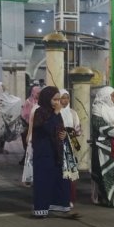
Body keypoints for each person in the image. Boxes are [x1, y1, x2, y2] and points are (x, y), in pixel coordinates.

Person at [30, 86, 78, 218]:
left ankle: (57, 205)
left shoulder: (56, 112)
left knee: (58, 180)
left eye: (59, 99)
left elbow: (59, 127)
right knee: (44, 181)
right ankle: (41, 209)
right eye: (55, 99)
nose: (58, 102)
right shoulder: (40, 112)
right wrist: (56, 114)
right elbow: (46, 128)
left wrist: (63, 135)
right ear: (47, 98)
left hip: (56, 151)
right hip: (44, 152)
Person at [59, 89, 82, 203]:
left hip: (70, 146)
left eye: (67, 97)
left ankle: (69, 198)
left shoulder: (73, 113)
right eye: (63, 98)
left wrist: (69, 132)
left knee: (70, 173)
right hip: (58, 146)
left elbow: (78, 130)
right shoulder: (56, 112)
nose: (65, 100)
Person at [0, 82, 23, 154]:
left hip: (2, 119)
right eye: (2, 87)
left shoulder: (2, 96)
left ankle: (1, 148)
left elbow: (9, 101)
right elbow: (0, 106)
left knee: (3, 134)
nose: (3, 88)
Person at [19, 85, 41, 164]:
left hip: (38, 126)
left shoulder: (41, 102)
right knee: (27, 143)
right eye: (37, 93)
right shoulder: (28, 102)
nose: (39, 95)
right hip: (28, 126)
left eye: (40, 93)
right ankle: (26, 157)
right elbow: (24, 114)